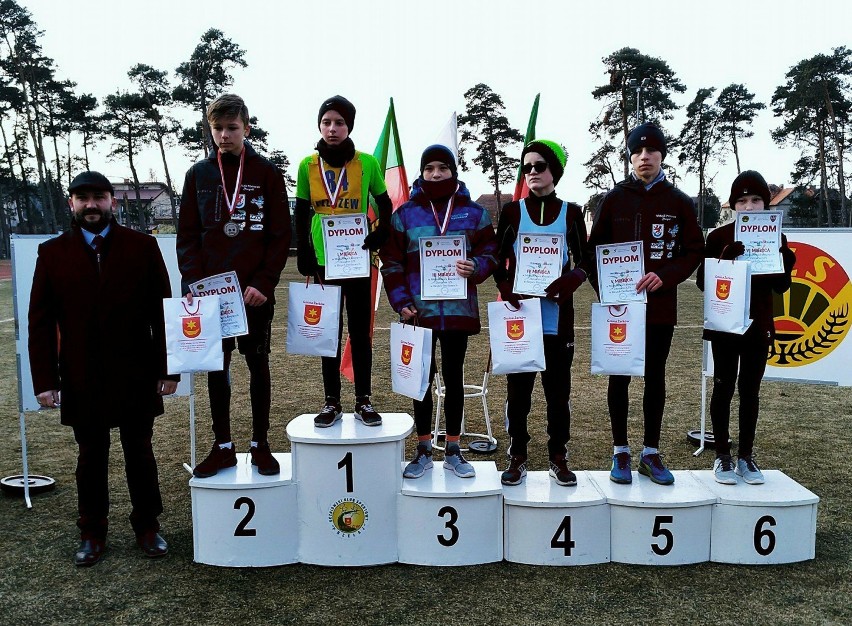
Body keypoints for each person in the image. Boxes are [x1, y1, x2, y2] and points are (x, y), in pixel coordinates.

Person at [29, 171, 178, 566]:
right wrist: (44, 380)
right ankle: (92, 532)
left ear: (112, 201)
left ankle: (147, 526)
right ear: (71, 204)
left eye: (98, 197)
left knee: (140, 452)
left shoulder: (143, 247)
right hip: (80, 374)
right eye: (82, 198)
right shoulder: (52, 252)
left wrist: (168, 370)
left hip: (136, 371)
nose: (91, 205)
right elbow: (40, 322)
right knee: (90, 456)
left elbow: (162, 313)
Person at [177, 94, 291, 478]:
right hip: (212, 295)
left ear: (246, 128)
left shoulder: (267, 173)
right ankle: (223, 445)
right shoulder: (198, 175)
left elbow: (279, 236)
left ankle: (261, 443)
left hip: (253, 294)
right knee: (217, 367)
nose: (224, 136)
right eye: (217, 129)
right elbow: (188, 236)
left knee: (258, 364)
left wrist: (264, 282)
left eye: (232, 128)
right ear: (210, 129)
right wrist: (193, 282)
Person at [587, 122, 704, 486]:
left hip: (660, 308)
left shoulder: (679, 202)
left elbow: (694, 251)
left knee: (655, 377)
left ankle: (650, 452)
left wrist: (666, 276)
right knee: (619, 377)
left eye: (651, 151)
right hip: (620, 309)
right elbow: (593, 252)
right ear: (630, 157)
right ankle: (620, 450)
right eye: (637, 151)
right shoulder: (615, 198)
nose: (644, 157)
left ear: (662, 155)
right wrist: (606, 290)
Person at [380, 145, 498, 479]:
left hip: (458, 311)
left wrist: (475, 265)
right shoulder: (405, 214)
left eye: (442, 168)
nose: (435, 174)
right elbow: (391, 261)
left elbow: (491, 251)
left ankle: (455, 450)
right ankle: (422, 450)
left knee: (454, 379)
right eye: (429, 168)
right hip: (419, 313)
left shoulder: (473, 213)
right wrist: (402, 301)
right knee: (421, 380)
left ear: (453, 172)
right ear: (422, 172)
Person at [493, 140, 590, 487]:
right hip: (522, 317)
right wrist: (505, 285)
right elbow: (495, 256)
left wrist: (572, 279)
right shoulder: (512, 212)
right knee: (518, 393)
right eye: (527, 166)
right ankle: (517, 453)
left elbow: (587, 259)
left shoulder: (572, 213)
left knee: (557, 393)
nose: (532, 172)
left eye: (539, 166)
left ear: (555, 172)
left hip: (557, 320)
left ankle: (557, 455)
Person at [294, 95, 394, 428]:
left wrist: (380, 233)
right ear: (319, 126)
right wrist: (305, 252)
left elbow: (385, 203)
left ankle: (364, 400)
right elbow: (301, 212)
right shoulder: (307, 164)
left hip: (356, 259)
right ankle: (331, 401)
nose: (332, 129)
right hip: (324, 260)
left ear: (349, 125)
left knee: (360, 333)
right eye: (326, 122)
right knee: (328, 333)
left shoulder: (366, 162)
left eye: (339, 122)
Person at [697, 171, 795, 485]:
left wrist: (787, 264)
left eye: (756, 200)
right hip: (726, 323)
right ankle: (723, 456)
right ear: (734, 204)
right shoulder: (718, 237)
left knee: (750, 391)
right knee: (723, 387)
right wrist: (725, 260)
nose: (750, 206)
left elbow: (780, 287)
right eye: (742, 200)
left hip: (759, 323)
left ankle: (746, 457)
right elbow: (703, 283)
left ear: (766, 204)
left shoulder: (775, 236)